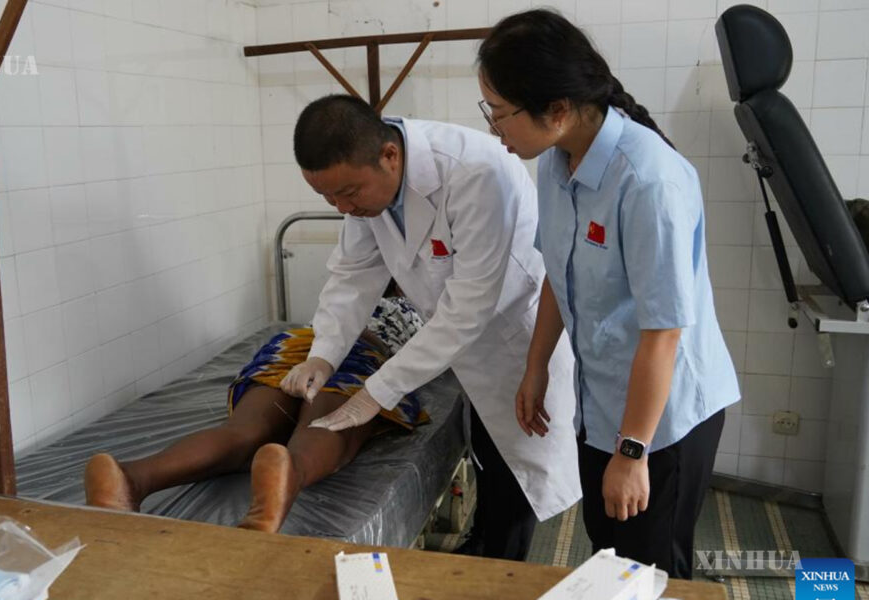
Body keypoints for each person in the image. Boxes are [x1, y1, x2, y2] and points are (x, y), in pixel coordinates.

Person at [476, 9, 740, 579]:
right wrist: (536, 367)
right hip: (602, 402)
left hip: (664, 418)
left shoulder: (648, 180)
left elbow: (663, 334)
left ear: (557, 109)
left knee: (653, 569)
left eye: (499, 113)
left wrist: (632, 451)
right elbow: (558, 271)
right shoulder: (556, 163)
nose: (495, 129)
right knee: (610, 553)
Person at [283, 94, 581, 561]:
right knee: (488, 459)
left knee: (515, 478)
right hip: (458, 344)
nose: (341, 208)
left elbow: (468, 309)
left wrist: (376, 393)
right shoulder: (365, 190)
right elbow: (353, 275)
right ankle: (484, 546)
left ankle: (501, 571)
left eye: (348, 193)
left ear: (390, 155)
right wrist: (323, 353)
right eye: (327, 198)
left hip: (515, 342)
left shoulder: (475, 172)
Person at [84, 293, 428, 533]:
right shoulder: (416, 305)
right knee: (329, 424)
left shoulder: (348, 293)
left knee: (243, 431)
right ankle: (289, 471)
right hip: (363, 354)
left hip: (295, 346)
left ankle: (131, 478)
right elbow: (434, 352)